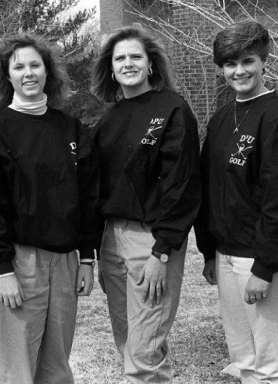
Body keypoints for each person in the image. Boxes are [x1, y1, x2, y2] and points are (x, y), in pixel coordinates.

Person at [0, 32, 101, 384]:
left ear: (48, 72)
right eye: (19, 67)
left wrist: (86, 258)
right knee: (18, 369)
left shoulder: (71, 129)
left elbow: (88, 198)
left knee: (57, 366)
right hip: (17, 262)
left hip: (65, 262)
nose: (28, 73)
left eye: (35, 65)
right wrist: (3, 269)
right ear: (7, 76)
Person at [193, 20, 278, 383]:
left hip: (265, 259)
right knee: (244, 359)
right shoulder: (222, 118)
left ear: (264, 62)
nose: (238, 71)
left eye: (247, 61)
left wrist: (265, 266)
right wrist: (210, 252)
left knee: (274, 363)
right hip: (227, 256)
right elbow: (210, 188)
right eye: (230, 64)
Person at [90, 24, 201, 384]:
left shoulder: (173, 109)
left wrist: (162, 251)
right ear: (110, 69)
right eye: (119, 58)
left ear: (151, 63)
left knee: (143, 352)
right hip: (112, 240)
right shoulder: (109, 119)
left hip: (152, 241)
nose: (127, 63)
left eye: (135, 56)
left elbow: (181, 185)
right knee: (130, 346)